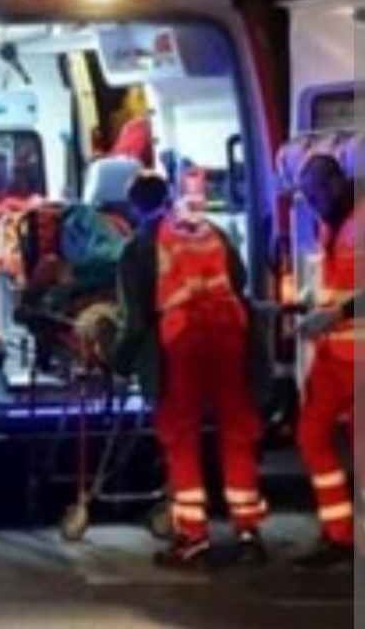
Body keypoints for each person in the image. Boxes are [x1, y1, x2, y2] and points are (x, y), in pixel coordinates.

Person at [109, 172, 268, 568]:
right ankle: (248, 532)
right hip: (231, 333)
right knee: (238, 430)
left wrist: (120, 362)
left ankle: (193, 537)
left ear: (134, 207)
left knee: (181, 436)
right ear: (168, 197)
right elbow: (239, 279)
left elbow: (136, 318)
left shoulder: (140, 246)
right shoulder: (210, 230)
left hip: (183, 339)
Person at [290, 153, 364, 569]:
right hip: (336, 355)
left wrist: (336, 314)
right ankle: (339, 534)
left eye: (316, 195)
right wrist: (310, 308)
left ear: (336, 184)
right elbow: (339, 286)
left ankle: (346, 537)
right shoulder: (332, 223)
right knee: (311, 436)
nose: (314, 205)